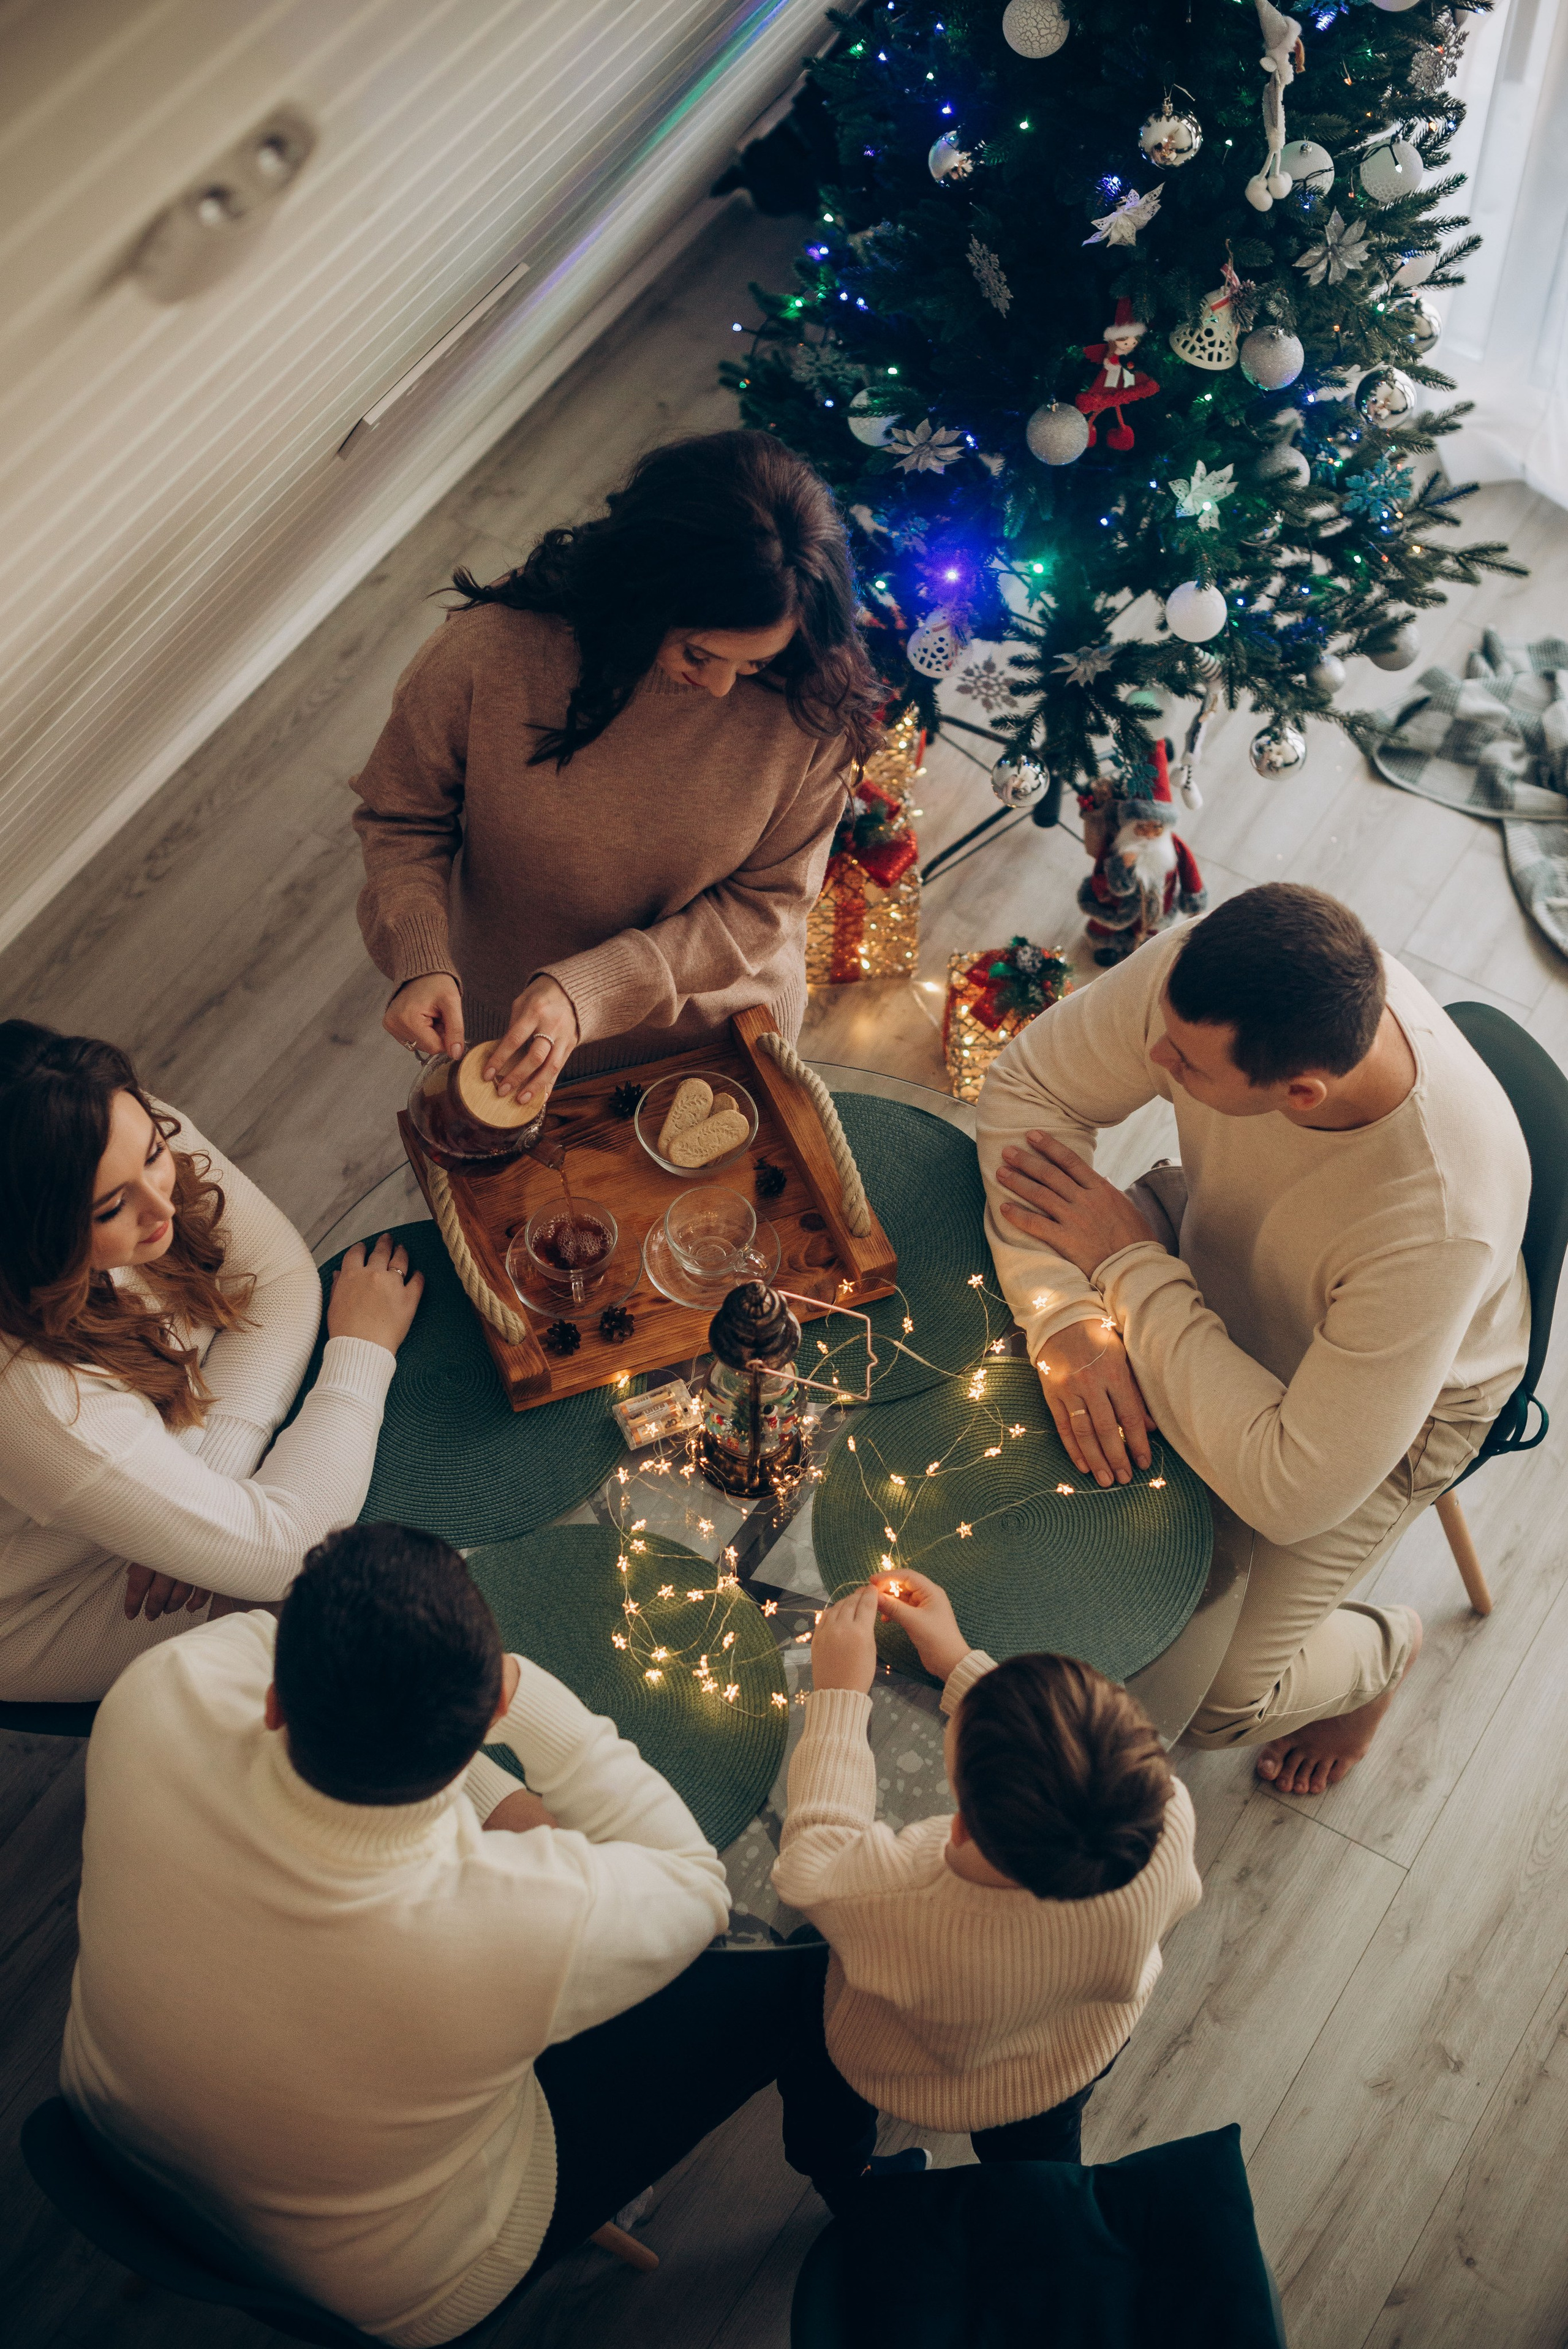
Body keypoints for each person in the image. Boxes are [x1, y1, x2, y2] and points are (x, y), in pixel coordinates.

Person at [61, 1524, 886, 2345]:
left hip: (114, 2127)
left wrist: (484, 1789)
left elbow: (265, 1633)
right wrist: (523, 1697)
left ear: (279, 1699)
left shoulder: (160, 1685)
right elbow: (693, 1883)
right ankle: (851, 2173)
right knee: (806, 1974)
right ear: (488, 1716)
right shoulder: (509, 1919)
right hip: (402, 2279)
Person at [975, 883, 1531, 1796]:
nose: (1156, 1060)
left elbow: (1290, 1489)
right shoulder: (1215, 975)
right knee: (997, 1365)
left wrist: (1126, 1266)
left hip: (1398, 1401)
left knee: (1213, 1701)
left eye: (1186, 1067)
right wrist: (1067, 1318)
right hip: (1209, 1247)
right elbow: (1030, 1084)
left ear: (1300, 1094)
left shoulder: (1434, 1222)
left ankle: (1385, 1651)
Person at [353, 428, 881, 1108]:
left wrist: (591, 989)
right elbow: (402, 816)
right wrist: (419, 954)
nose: (723, 690)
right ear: (641, 598)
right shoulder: (490, 652)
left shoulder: (812, 702)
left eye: (753, 665)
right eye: (698, 655)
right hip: (510, 1029)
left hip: (716, 1033)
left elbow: (766, 904)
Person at [0, 1021, 421, 1700]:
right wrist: (362, 1351)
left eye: (157, 1154)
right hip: (55, 1593)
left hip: (161, 1461)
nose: (160, 1204)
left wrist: (214, 1475)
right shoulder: (39, 1398)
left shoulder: (110, 1126)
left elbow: (279, 1280)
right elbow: (293, 1549)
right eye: (113, 1207)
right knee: (363, 1585)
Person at [772, 1570, 1200, 2162]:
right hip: (1071, 2052)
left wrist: (840, 1698)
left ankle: (852, 2180)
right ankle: (1037, 2197)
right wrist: (958, 1661)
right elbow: (1066, 1760)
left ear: (960, 1823)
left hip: (913, 2066)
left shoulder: (899, 1892)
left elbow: (809, 1859)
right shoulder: (1167, 1809)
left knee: (804, 2013)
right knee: (1039, 2155)